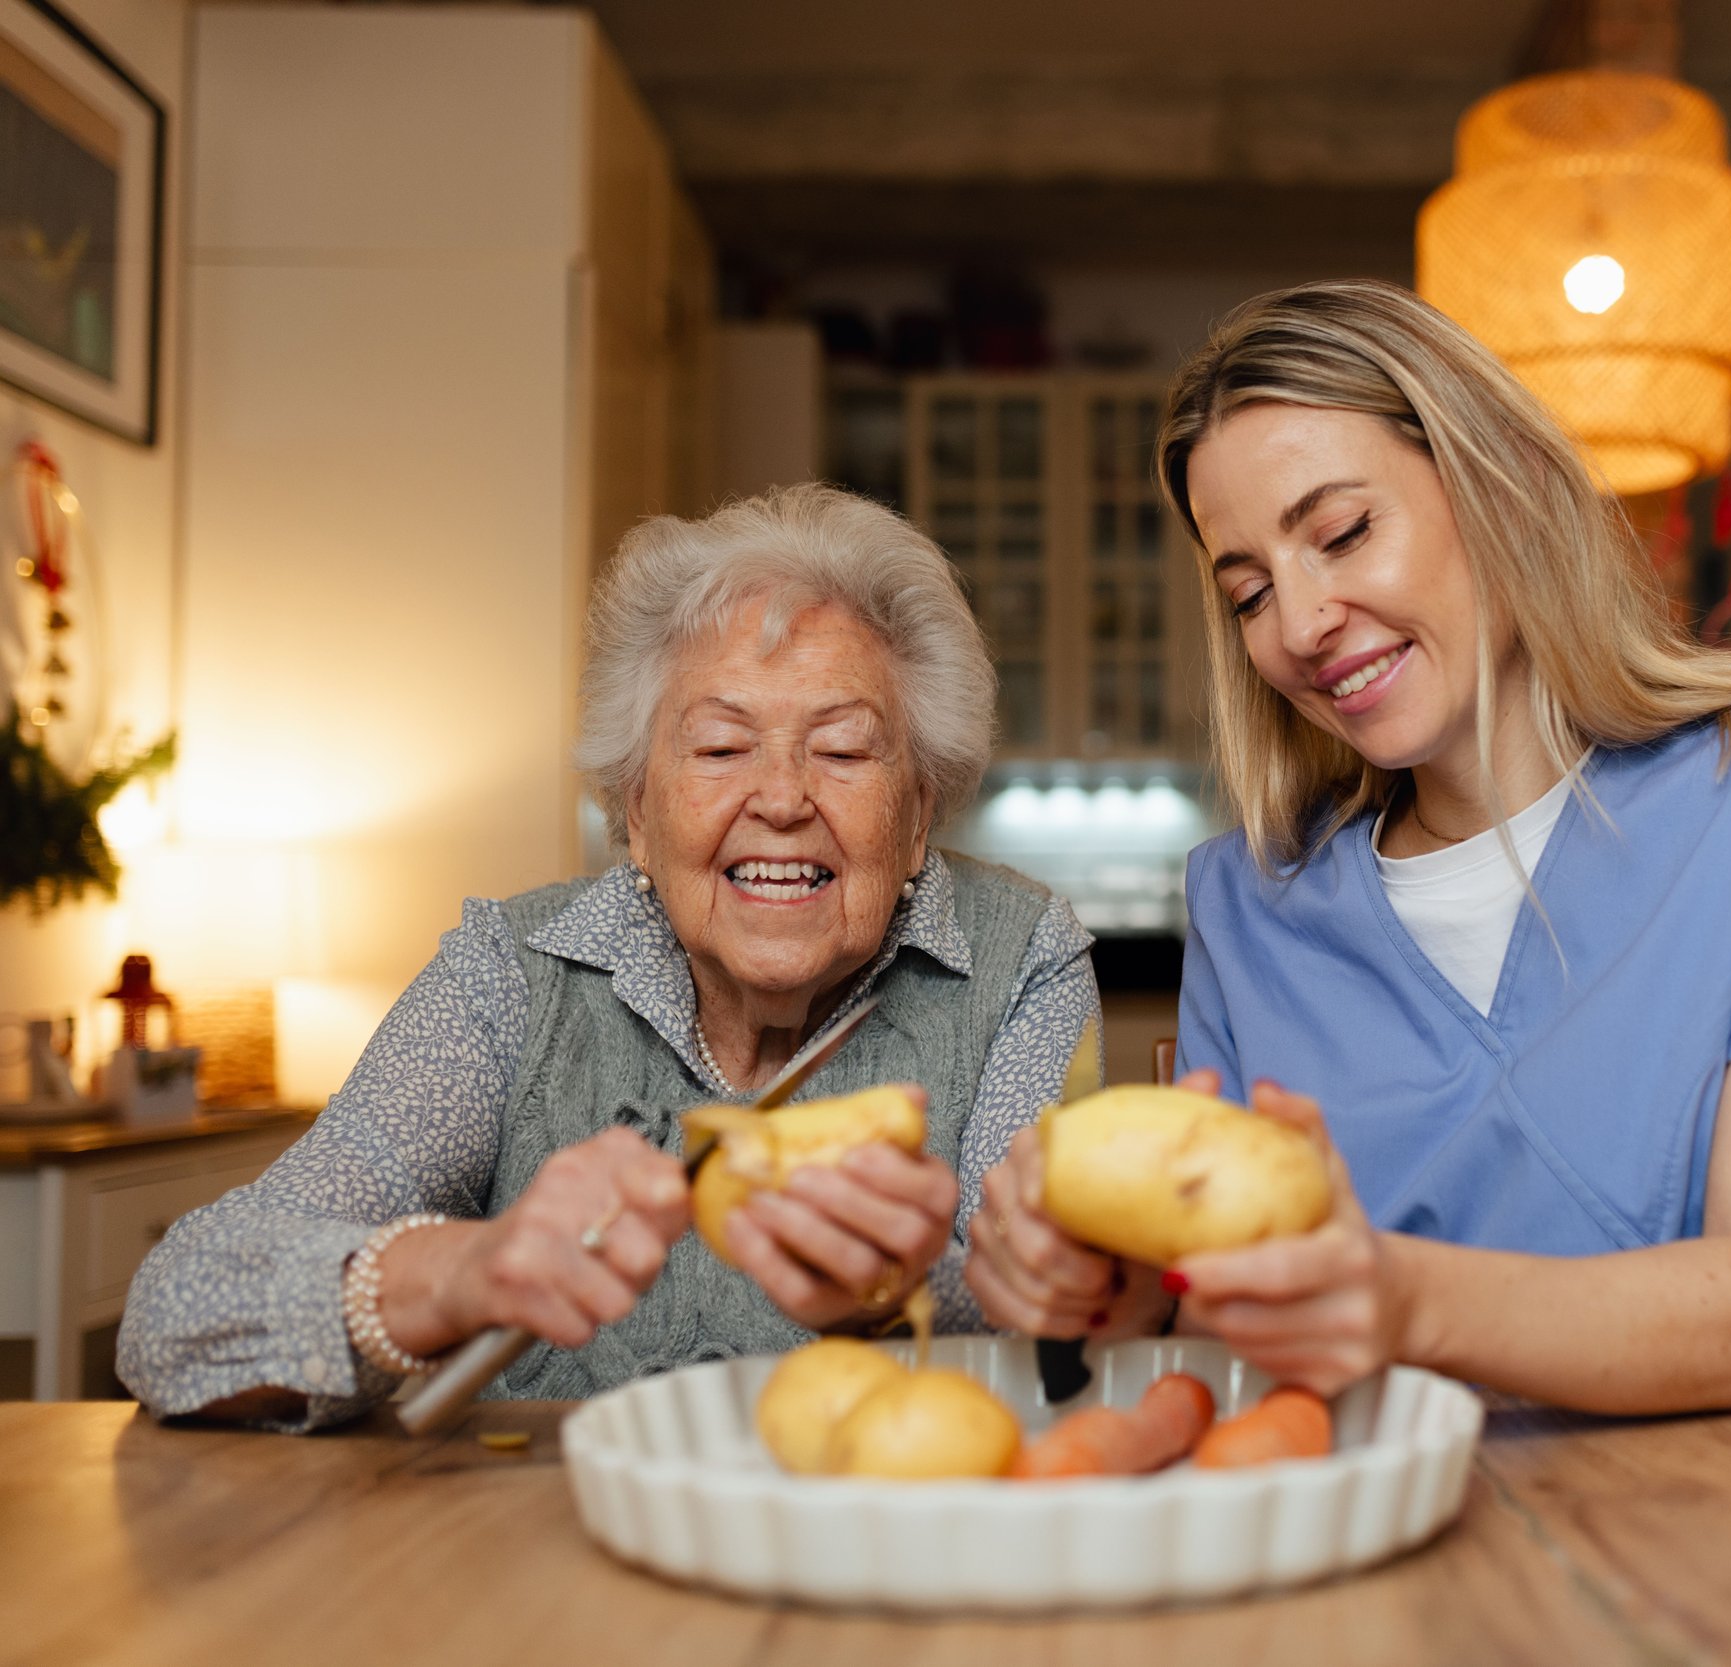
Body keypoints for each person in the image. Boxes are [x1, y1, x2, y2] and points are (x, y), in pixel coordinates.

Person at [964, 281, 1731, 1415]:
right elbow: (1233, 1320)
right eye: (1249, 591)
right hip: (1359, 1539)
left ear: (1494, 485)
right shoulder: (1247, 901)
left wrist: (1405, 1298)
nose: (1301, 625)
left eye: (1343, 532)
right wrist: (1122, 1301)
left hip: (1713, 1541)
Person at [121, 485, 1098, 1428]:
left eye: (843, 750)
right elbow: (174, 1318)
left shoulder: (1019, 962)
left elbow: (1074, 1341)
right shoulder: (510, 973)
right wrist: (464, 1270)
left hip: (884, 1554)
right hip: (532, 1557)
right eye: (719, 747)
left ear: (919, 812)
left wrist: (896, 1290)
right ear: (634, 808)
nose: (783, 798)